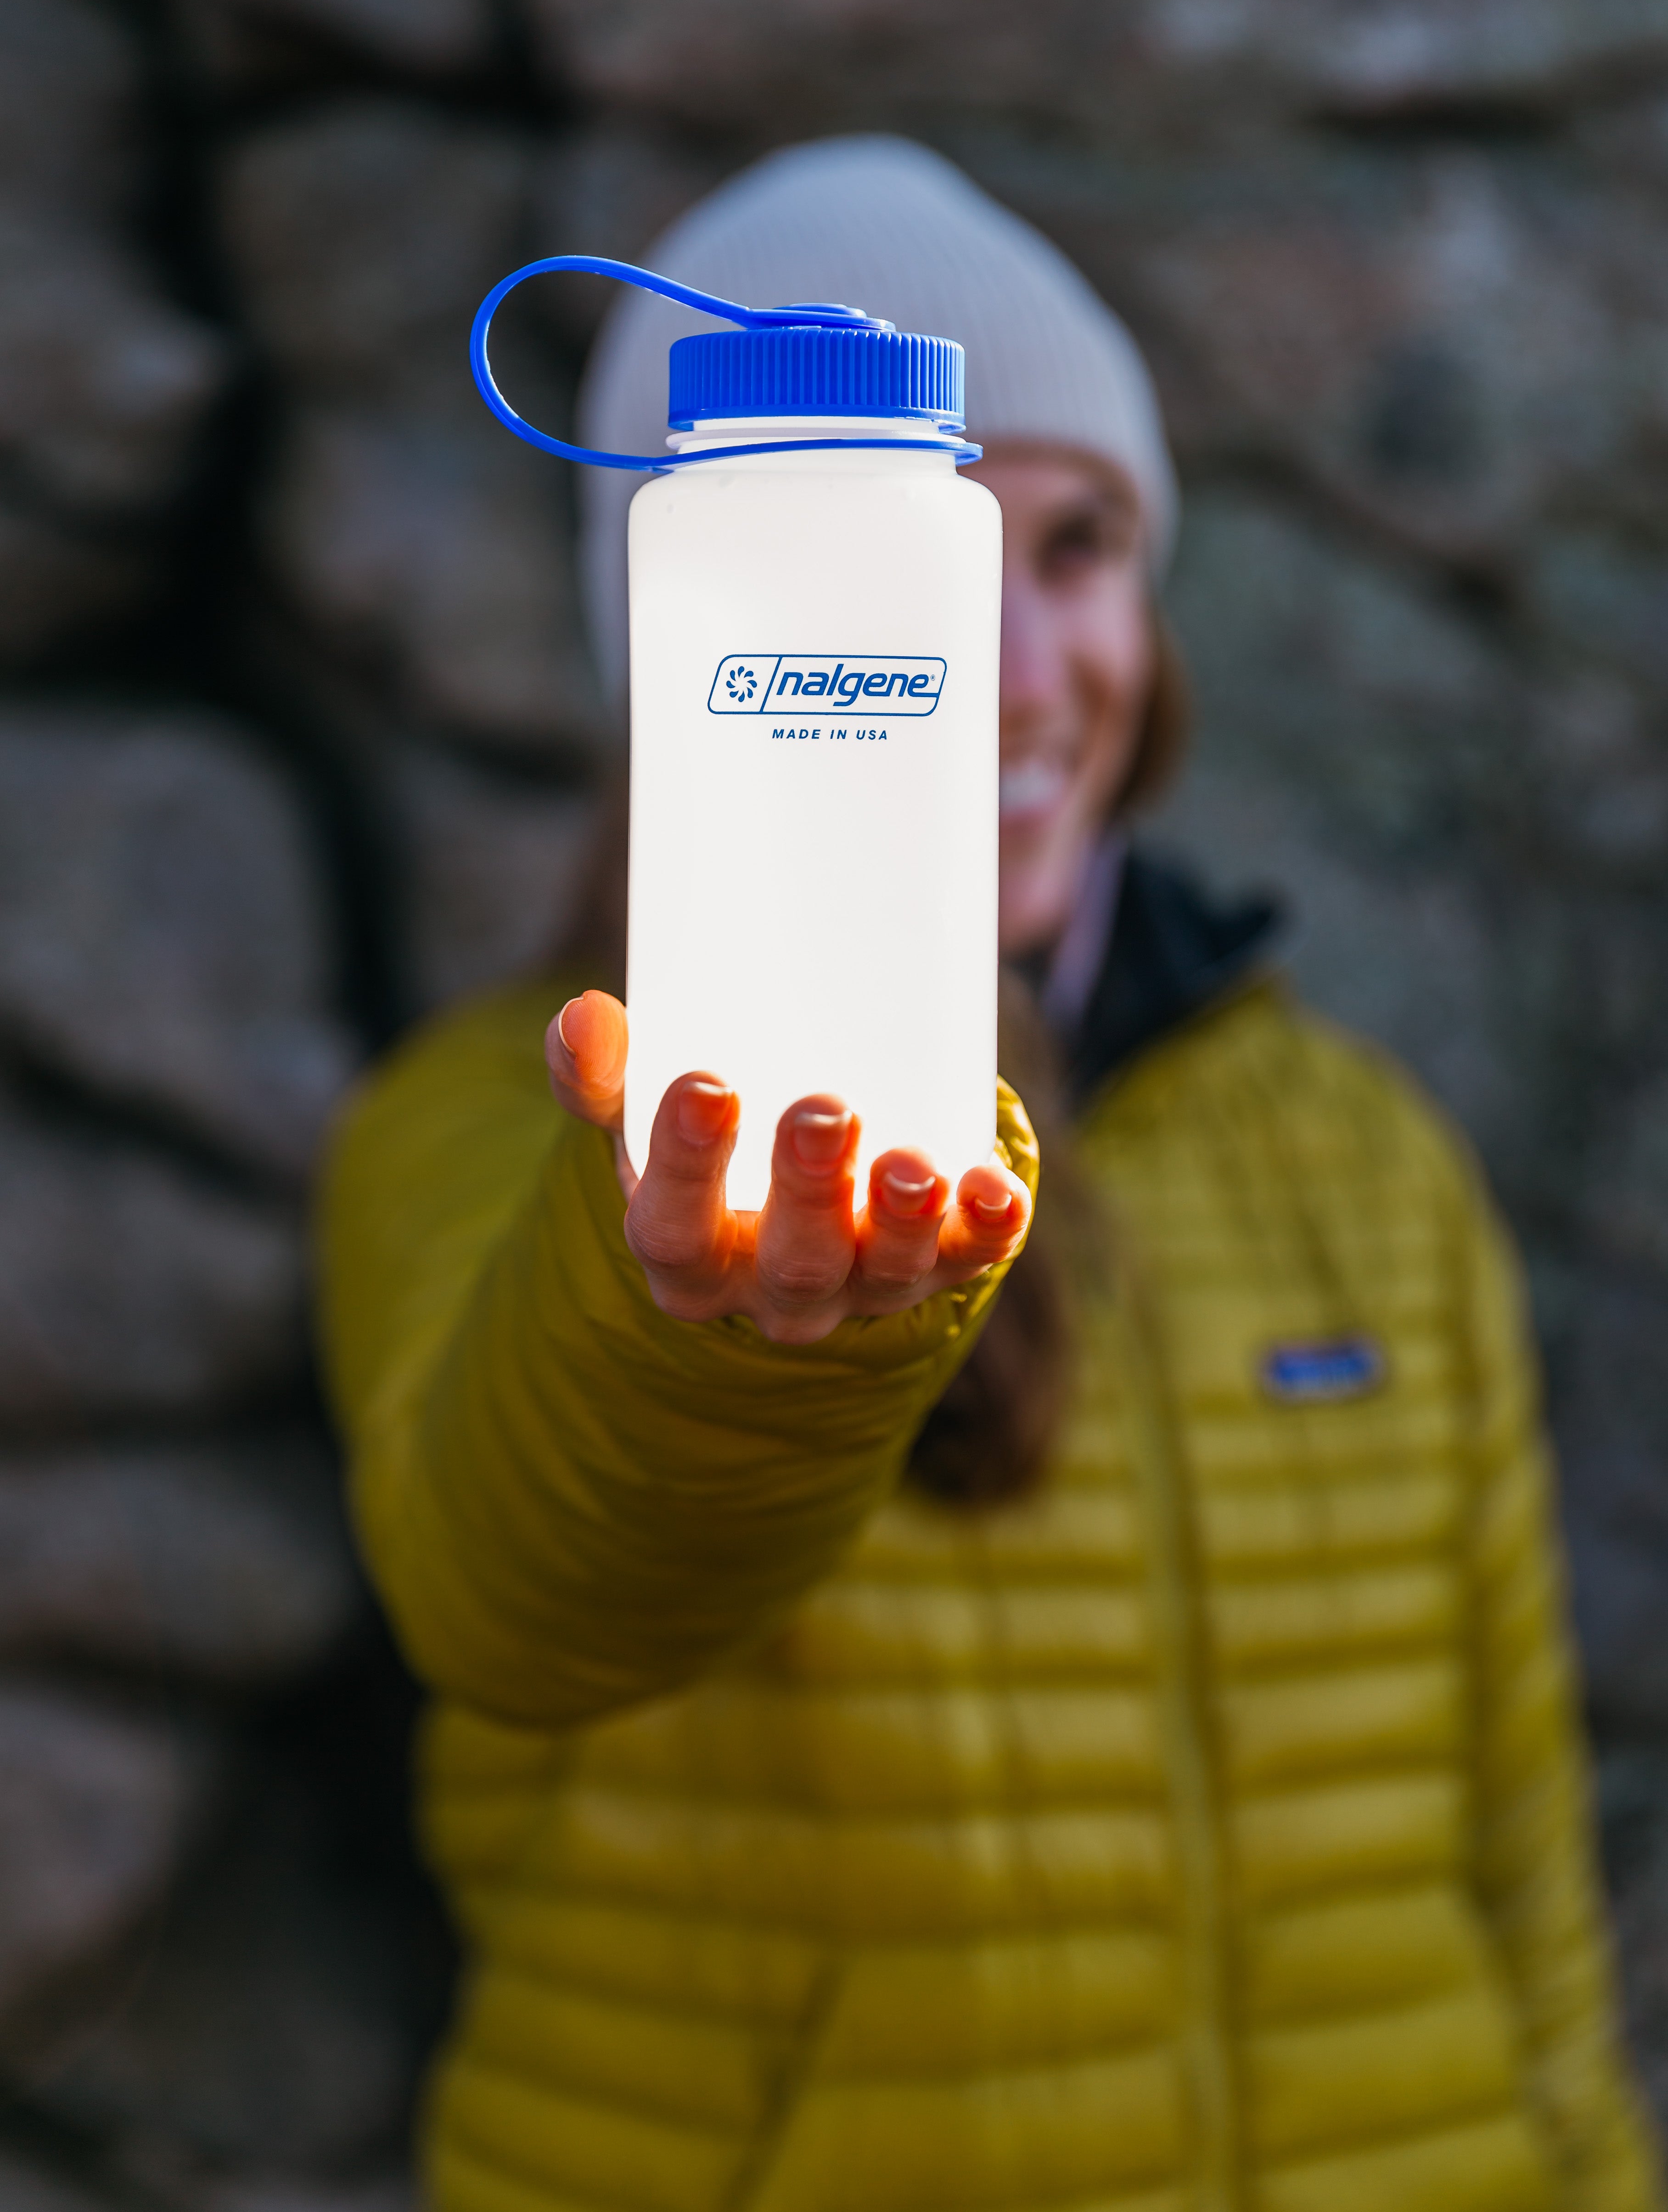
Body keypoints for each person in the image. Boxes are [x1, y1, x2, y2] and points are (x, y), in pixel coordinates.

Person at [319, 138, 1660, 2212]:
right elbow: (519, 1592)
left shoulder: (1362, 1156)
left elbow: (1519, 1882)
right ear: (694, 645)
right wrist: (722, 1339)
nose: (1021, 678)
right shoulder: (507, 1130)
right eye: (934, 572)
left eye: (1080, 547)